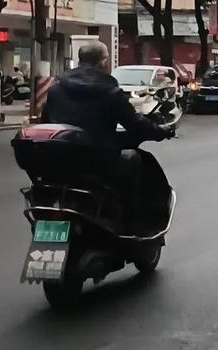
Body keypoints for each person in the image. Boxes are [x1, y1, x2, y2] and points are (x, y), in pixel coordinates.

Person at [42, 42, 168, 226]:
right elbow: (135, 123)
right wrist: (159, 130)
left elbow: (45, 123)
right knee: (133, 160)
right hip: (97, 162)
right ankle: (131, 225)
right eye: (107, 59)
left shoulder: (56, 89)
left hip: (60, 161)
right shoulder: (110, 92)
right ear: (102, 62)